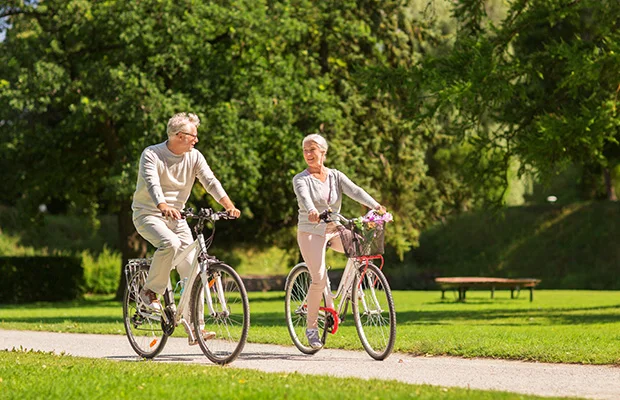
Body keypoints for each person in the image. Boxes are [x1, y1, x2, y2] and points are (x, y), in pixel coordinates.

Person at [131, 112, 241, 345]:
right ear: (180, 136)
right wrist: (162, 205)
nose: (196, 140)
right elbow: (152, 182)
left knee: (191, 266)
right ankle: (150, 291)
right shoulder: (152, 154)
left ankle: (196, 327)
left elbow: (210, 181)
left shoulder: (194, 156)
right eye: (193, 136)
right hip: (148, 214)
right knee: (168, 244)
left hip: (178, 217)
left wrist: (228, 205)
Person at [292, 133, 385, 349]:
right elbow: (304, 198)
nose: (307, 154)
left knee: (359, 249)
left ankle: (351, 290)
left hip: (334, 229)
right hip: (310, 231)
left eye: (312, 149)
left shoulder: (335, 176)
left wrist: (375, 206)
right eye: (305, 150)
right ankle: (312, 329)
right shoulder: (301, 179)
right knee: (318, 278)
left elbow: (355, 191)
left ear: (323, 152)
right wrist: (313, 210)